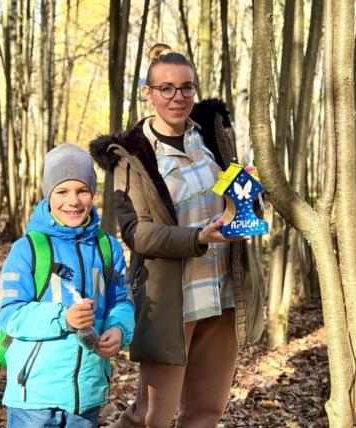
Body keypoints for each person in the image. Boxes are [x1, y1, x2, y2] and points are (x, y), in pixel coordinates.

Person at [90, 44, 264, 427]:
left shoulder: (212, 138)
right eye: (166, 88)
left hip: (222, 292)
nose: (177, 97)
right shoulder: (131, 155)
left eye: (186, 87)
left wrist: (249, 194)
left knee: (205, 412)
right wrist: (197, 237)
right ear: (148, 93)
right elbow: (136, 233)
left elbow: (232, 205)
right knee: (151, 416)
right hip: (171, 301)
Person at [0, 144, 135, 428]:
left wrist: (119, 329)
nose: (73, 201)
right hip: (33, 396)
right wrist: (63, 318)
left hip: (87, 394)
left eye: (82, 190)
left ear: (93, 193)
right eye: (62, 191)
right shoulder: (29, 249)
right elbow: (7, 312)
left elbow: (123, 301)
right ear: (48, 194)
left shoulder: (108, 248)